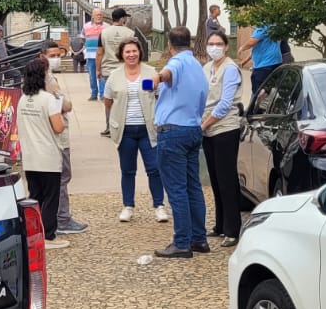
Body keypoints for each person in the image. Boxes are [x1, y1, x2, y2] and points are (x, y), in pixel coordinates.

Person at [152, 27, 208, 259]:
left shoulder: (176, 63)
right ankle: (199, 238)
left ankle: (182, 242)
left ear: (169, 45)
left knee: (177, 189)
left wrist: (156, 79)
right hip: (193, 128)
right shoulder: (197, 65)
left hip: (173, 131)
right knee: (193, 186)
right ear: (190, 43)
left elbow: (168, 73)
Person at [103, 37, 165, 223]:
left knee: (154, 168)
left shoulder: (151, 72)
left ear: (140, 52)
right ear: (122, 54)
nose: (131, 55)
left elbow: (160, 96)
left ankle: (159, 206)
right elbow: (108, 101)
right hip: (125, 130)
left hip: (148, 128)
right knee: (128, 170)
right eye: (127, 51)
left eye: (134, 51)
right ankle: (128, 206)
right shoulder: (114, 76)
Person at [16, 56, 69, 247]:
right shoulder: (48, 99)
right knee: (50, 198)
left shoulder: (23, 99)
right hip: (47, 155)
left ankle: (33, 234)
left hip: (30, 156)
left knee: (35, 197)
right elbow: (58, 127)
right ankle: (48, 235)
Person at [200, 30, 245, 246]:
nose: (214, 47)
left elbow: (225, 103)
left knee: (227, 179)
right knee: (216, 180)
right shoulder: (207, 67)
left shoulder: (230, 69)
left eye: (219, 44)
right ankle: (220, 225)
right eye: (211, 44)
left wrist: (205, 124)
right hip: (207, 129)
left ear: (226, 47)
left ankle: (232, 229)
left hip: (225, 128)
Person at [43, 42, 88, 233]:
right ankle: (62, 218)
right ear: (42, 56)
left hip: (52, 136)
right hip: (57, 136)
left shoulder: (47, 76)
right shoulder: (46, 79)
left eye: (58, 55)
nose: (56, 59)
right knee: (62, 177)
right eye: (52, 55)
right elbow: (63, 105)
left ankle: (54, 218)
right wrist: (66, 104)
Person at [97, 8, 138, 136]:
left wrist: (98, 69)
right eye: (125, 18)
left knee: (109, 99)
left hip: (108, 70)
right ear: (122, 19)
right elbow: (134, 53)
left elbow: (100, 53)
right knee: (125, 98)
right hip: (125, 70)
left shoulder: (103, 33)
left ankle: (109, 127)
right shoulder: (130, 33)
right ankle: (124, 125)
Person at [240, 22, 284, 99]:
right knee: (272, 89)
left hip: (264, 66)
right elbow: (261, 47)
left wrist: (242, 48)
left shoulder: (263, 26)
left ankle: (256, 105)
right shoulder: (276, 25)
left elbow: (252, 42)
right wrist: (246, 60)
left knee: (258, 93)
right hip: (276, 62)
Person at [83, 9, 105, 101]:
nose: (99, 16)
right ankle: (94, 94)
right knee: (92, 76)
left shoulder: (106, 27)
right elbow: (83, 37)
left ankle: (103, 94)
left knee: (102, 75)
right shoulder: (86, 26)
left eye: (100, 14)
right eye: (97, 15)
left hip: (102, 55)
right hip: (90, 55)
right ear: (92, 16)